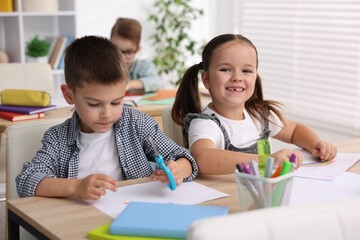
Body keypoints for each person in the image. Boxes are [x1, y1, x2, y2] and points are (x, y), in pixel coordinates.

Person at [16, 36, 198, 200]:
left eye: (116, 102)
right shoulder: (58, 138)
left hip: (135, 213)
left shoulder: (137, 123)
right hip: (81, 221)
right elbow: (27, 180)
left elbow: (185, 158)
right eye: (94, 104)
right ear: (69, 95)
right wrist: (76, 187)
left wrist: (177, 169)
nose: (107, 114)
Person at [171, 34, 337, 175]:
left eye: (247, 71)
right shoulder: (205, 123)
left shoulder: (259, 115)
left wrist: (316, 144)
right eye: (225, 69)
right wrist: (266, 161)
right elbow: (202, 158)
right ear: (206, 79)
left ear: (255, 77)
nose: (237, 77)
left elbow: (294, 131)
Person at [110, 17, 161, 94]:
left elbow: (156, 82)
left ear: (138, 50)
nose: (122, 58)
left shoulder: (142, 66)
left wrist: (130, 84)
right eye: (117, 51)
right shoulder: (106, 66)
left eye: (129, 52)